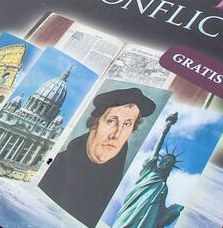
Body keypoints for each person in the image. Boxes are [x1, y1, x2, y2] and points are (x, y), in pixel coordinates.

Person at [37, 87, 156, 226]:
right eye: (112, 121)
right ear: (95, 123)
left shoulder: (123, 192)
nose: (116, 134)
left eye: (127, 124)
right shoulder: (54, 167)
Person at [114, 112, 184, 228]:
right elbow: (156, 151)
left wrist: (174, 210)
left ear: (170, 168)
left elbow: (160, 210)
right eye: (165, 160)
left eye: (169, 163)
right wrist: (164, 131)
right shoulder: (151, 170)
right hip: (134, 205)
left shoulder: (163, 187)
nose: (166, 163)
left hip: (148, 217)